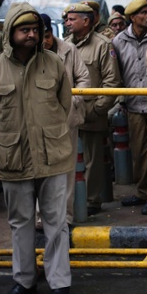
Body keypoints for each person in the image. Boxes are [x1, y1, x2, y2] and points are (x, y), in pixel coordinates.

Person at [0, 3, 73, 294]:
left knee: (56, 223)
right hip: (13, 158)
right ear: (10, 33)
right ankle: (25, 280)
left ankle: (60, 282)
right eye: (24, 30)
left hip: (53, 156)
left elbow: (65, 104)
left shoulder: (54, 63)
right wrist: (10, 138)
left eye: (35, 30)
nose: (31, 35)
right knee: (20, 223)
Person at [64, 3, 121, 216]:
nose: (68, 23)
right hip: (68, 113)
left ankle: (91, 200)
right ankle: (72, 200)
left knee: (92, 160)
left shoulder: (103, 45)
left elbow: (112, 82)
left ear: (86, 21)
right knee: (69, 160)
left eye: (72, 19)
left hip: (91, 113)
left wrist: (97, 110)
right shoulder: (65, 45)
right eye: (67, 20)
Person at [112, 0, 147, 216]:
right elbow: (117, 73)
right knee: (139, 154)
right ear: (132, 17)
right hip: (132, 104)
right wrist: (121, 100)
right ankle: (142, 192)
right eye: (143, 13)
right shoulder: (119, 41)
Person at [40, 13, 91, 225]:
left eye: (46, 34)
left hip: (67, 118)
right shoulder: (30, 53)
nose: (43, 39)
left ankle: (66, 217)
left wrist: (75, 101)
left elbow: (84, 79)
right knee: (41, 170)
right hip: (40, 120)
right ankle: (40, 217)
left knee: (68, 171)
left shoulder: (69, 50)